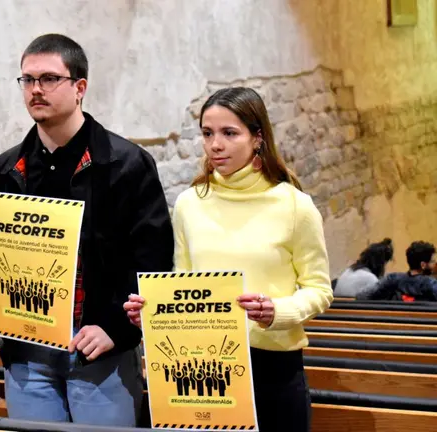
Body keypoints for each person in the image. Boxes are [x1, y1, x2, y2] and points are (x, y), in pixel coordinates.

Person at [0, 34, 173, 426]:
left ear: (79, 88)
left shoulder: (126, 164)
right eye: (27, 79)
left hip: (97, 351)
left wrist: (117, 329)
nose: (36, 89)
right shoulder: (8, 168)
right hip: (27, 351)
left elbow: (152, 260)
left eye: (50, 78)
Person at [124, 87, 333, 432]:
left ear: (258, 138)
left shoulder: (295, 206)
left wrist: (277, 311)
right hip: (201, 366)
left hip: (273, 371)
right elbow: (183, 284)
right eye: (207, 134)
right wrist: (152, 313)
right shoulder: (191, 203)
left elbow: (319, 289)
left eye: (229, 133)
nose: (215, 145)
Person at [356, 241, 437, 301]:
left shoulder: (392, 279)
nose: (434, 264)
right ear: (423, 265)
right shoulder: (431, 284)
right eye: (432, 261)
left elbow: (362, 296)